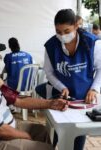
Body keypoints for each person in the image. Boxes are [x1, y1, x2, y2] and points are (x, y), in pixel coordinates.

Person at [0, 41, 68, 150]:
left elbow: (17, 100)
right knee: (45, 148)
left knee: (42, 131)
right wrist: (25, 136)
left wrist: (50, 103)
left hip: (7, 127)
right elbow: (0, 131)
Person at [39, 9, 101, 150]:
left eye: (67, 31)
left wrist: (94, 89)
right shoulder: (51, 46)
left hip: (84, 95)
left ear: (76, 26)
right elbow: (49, 73)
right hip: (60, 94)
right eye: (58, 32)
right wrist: (62, 87)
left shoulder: (93, 43)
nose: (62, 36)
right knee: (57, 129)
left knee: (78, 130)